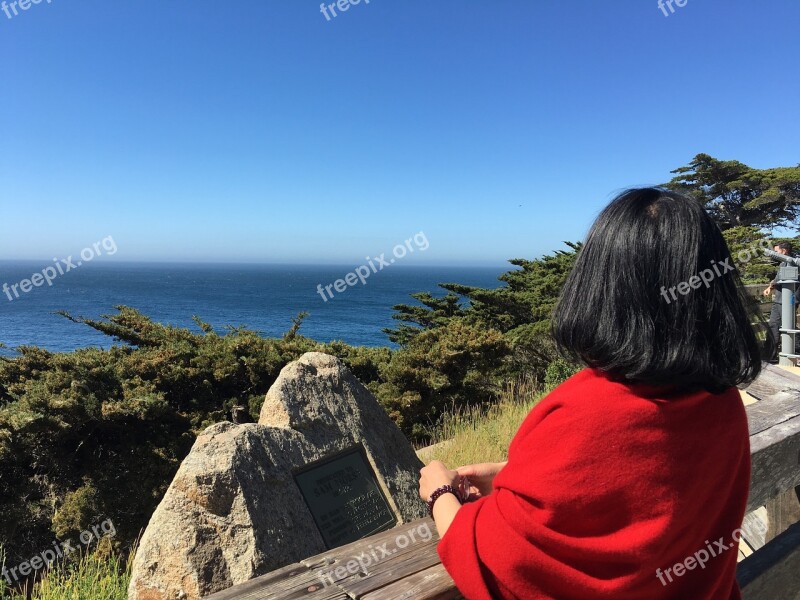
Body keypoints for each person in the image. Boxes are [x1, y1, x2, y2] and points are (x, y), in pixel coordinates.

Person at [419, 188, 763, 599]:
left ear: (599, 285)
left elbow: (501, 565)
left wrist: (439, 493)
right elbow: (638, 499)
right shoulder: (721, 402)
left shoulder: (586, 411)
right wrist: (512, 477)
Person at [762, 242, 795, 362]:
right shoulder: (782, 264)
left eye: (777, 251)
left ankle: (795, 351)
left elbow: (789, 281)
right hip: (779, 300)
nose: (775, 254)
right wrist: (769, 288)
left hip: (789, 300)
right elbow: (776, 280)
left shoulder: (794, 263)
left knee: (789, 326)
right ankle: (770, 354)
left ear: (784, 251)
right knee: (773, 325)